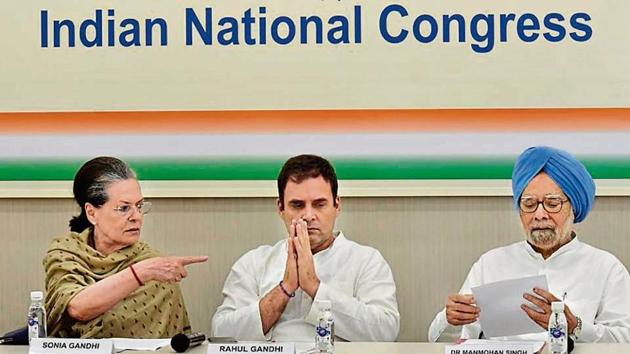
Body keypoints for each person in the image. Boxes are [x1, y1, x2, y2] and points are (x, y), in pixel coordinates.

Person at [428, 146, 630, 343]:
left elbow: (625, 339)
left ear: (573, 208)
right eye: (529, 204)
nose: (540, 215)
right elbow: (444, 342)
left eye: (552, 203)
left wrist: (576, 327)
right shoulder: (491, 264)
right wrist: (451, 319)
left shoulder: (605, 267)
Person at [212, 154, 400, 341]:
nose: (308, 215)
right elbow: (222, 332)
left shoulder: (367, 260)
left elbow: (386, 331)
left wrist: (314, 287)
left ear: (337, 205)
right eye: (297, 205)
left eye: (319, 204)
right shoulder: (254, 262)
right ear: (280, 208)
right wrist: (284, 289)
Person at [44, 157, 208, 338]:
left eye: (139, 206)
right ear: (92, 213)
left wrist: (147, 270)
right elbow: (77, 307)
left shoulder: (156, 269)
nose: (136, 216)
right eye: (124, 208)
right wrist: (140, 273)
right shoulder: (66, 252)